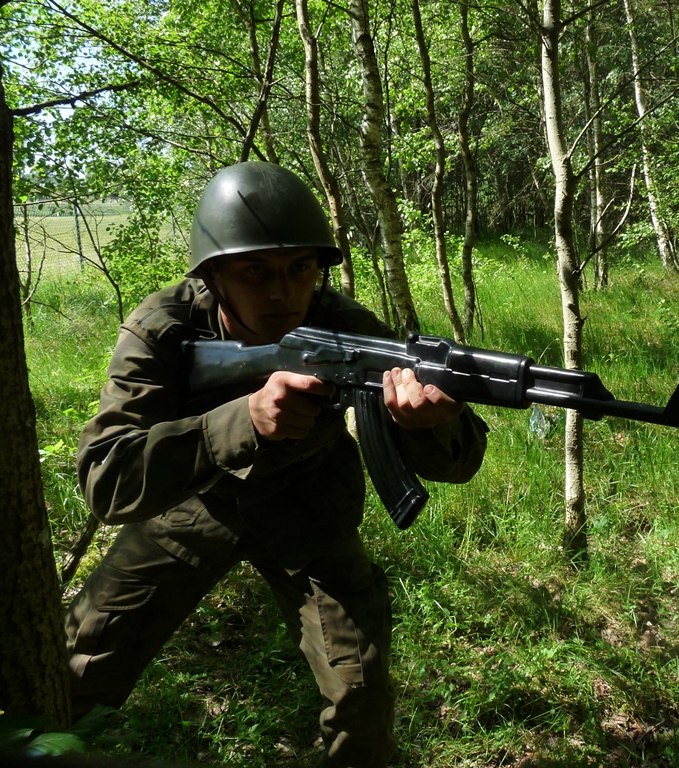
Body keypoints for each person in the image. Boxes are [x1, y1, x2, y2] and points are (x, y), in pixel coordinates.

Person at [64, 161, 489, 767]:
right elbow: (107, 482)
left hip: (309, 512)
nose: (282, 293)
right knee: (73, 674)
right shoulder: (163, 330)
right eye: (255, 270)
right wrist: (241, 421)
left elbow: (458, 464)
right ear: (212, 274)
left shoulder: (346, 327)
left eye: (300, 268)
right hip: (190, 510)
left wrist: (429, 424)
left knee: (362, 702)